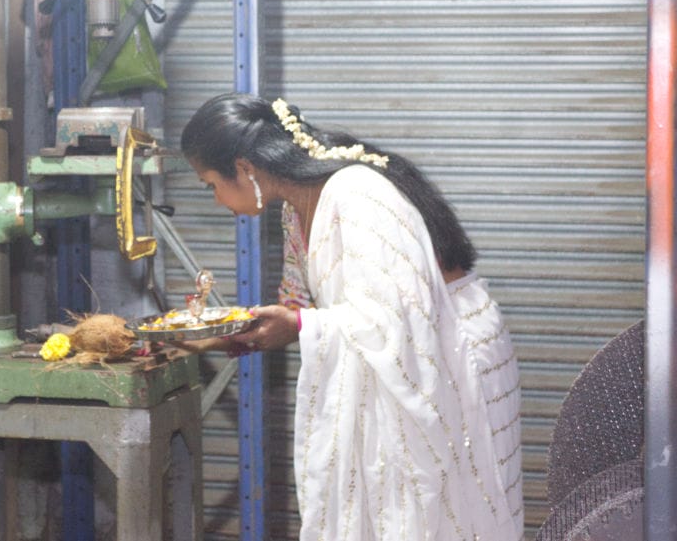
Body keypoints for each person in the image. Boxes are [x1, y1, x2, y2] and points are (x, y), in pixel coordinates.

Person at [179, 93, 523, 541]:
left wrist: (300, 326)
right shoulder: (295, 209)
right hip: (423, 347)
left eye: (210, 184)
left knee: (455, 508)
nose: (216, 199)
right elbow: (301, 306)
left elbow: (398, 318)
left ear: (244, 168)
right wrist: (230, 333)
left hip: (452, 357)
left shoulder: (356, 193)